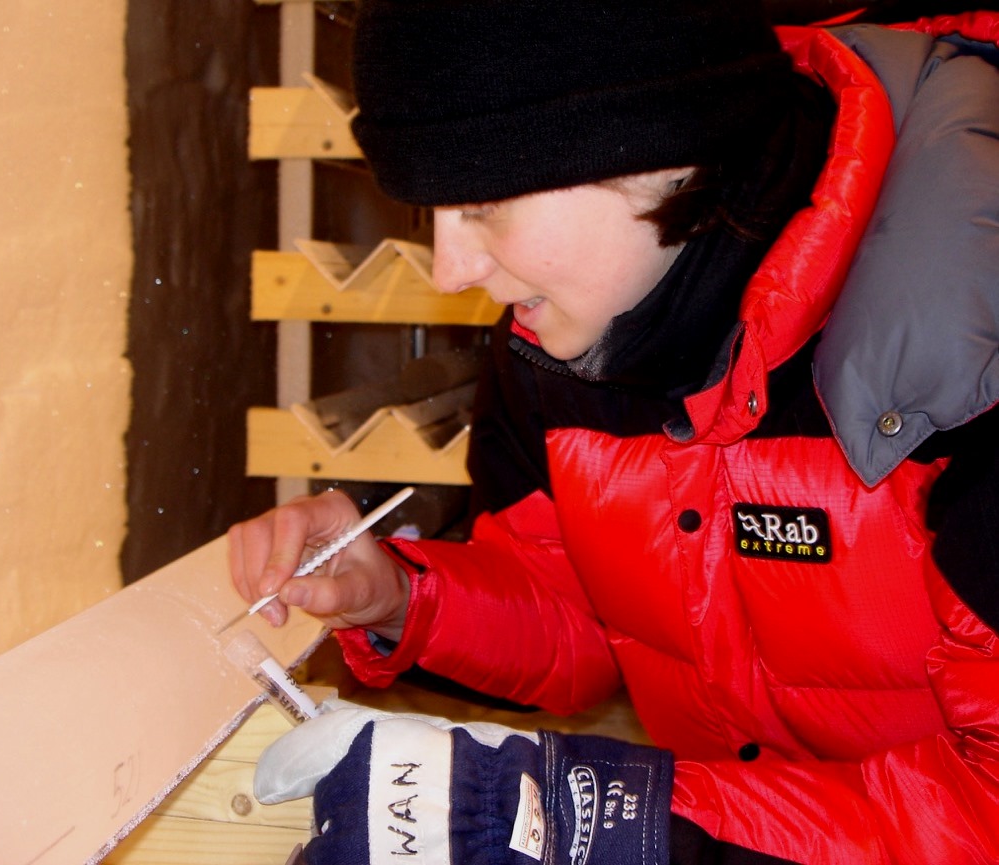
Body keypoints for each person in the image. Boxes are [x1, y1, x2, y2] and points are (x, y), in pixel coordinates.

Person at [229, 1, 999, 862]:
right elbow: (593, 612)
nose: (451, 273)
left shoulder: (974, 350)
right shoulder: (575, 334)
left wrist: (605, 823)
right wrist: (404, 598)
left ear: (663, 151)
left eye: (482, 204)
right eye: (430, 215)